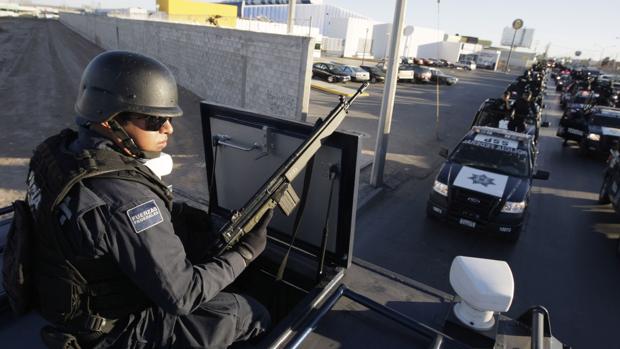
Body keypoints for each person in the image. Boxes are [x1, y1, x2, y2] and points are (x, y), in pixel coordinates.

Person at [26, 51, 273, 348]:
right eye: (155, 120)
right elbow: (183, 296)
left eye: (167, 118)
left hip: (69, 299)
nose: (169, 128)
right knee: (249, 313)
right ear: (109, 121)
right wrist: (244, 254)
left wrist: (182, 214)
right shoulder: (127, 200)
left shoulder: (57, 154)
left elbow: (108, 224)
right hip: (115, 329)